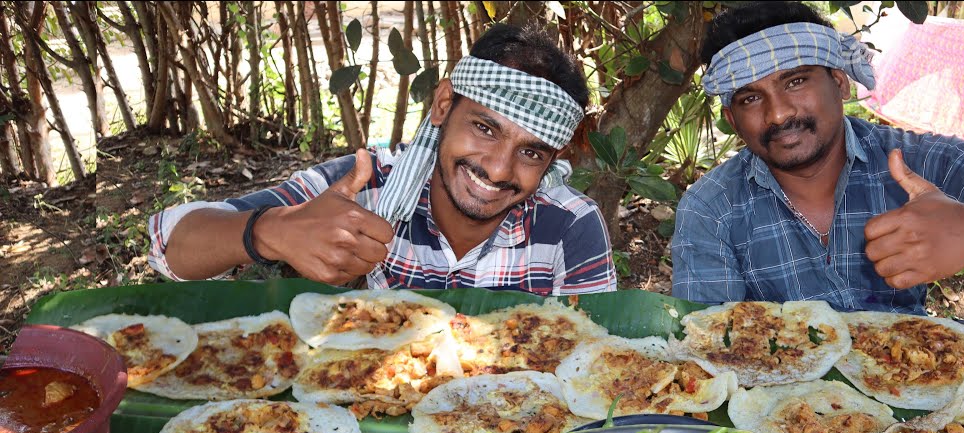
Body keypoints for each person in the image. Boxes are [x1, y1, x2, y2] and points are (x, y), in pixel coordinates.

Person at [671, 2, 964, 313]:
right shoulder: (712, 208)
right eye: (751, 98)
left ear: (840, 84)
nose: (780, 113)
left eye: (796, 81)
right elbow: (711, 346)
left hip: (913, 404)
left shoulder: (912, 163)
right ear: (731, 118)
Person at [148, 23, 616, 296]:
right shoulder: (360, 187)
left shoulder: (570, 226)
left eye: (530, 152)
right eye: (485, 128)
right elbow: (171, 245)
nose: (497, 169)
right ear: (442, 105)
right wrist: (272, 230)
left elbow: (592, 363)